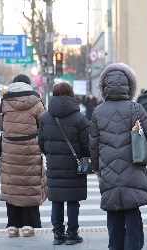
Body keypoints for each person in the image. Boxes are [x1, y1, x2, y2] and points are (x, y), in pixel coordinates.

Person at [90, 63, 147, 250]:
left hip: (109, 168)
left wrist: (97, 169)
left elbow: (93, 145)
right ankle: (133, 246)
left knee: (113, 210)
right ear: (129, 86)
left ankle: (115, 246)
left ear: (104, 87)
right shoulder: (135, 108)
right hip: (133, 166)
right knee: (132, 209)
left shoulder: (98, 112)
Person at [37, 82, 90, 245]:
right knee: (73, 200)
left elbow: (41, 143)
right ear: (71, 94)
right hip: (74, 166)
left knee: (57, 199)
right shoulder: (79, 117)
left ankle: (58, 234)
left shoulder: (45, 117)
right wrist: (84, 156)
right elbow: (87, 144)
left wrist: (51, 154)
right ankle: (72, 234)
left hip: (54, 165)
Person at [0, 74, 47, 237]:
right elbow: (44, 125)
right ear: (28, 85)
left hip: (10, 150)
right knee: (30, 186)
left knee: (12, 187)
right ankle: (29, 226)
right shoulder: (36, 102)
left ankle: (12, 226)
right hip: (30, 150)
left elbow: (1, 126)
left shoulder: (4, 102)